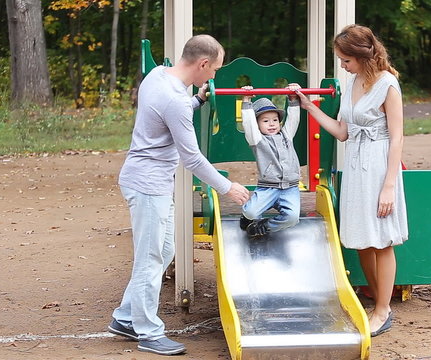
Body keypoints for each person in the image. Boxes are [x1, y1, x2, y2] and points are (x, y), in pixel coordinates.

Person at [108, 34, 250, 355]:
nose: (214, 76)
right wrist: (228, 187)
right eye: (214, 69)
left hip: (149, 182)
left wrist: (197, 100)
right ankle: (148, 331)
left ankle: (126, 316)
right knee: (149, 259)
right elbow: (193, 158)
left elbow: (170, 110)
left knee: (166, 247)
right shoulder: (173, 99)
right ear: (202, 64)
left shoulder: (158, 76)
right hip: (148, 186)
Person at [295, 24, 408, 337]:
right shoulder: (353, 81)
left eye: (346, 60)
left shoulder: (388, 84)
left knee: (382, 239)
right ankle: (375, 298)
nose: (342, 65)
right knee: (361, 237)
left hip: (380, 166)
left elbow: (397, 138)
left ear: (362, 56)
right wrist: (309, 107)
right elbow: (343, 132)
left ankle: (383, 310)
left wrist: (389, 186)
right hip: (357, 168)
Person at [238, 84, 302, 237]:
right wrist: (246, 101)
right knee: (251, 212)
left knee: (293, 218)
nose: (272, 124)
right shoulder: (257, 140)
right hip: (268, 188)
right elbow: (249, 125)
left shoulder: (287, 135)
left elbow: (293, 119)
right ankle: (247, 219)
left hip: (290, 188)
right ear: (258, 125)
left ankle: (263, 226)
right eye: (265, 121)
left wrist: (293, 99)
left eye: (275, 120)